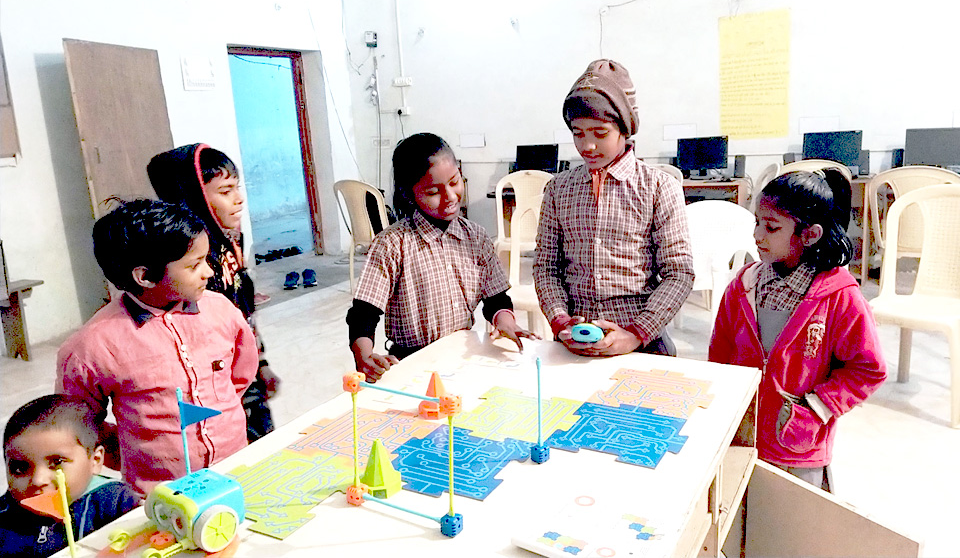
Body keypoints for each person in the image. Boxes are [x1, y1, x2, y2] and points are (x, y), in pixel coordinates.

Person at [57, 199, 258, 496]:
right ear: (145, 276)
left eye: (206, 260)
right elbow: (79, 424)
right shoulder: (91, 347)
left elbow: (240, 376)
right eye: (194, 265)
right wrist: (135, 452)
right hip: (158, 496)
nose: (209, 273)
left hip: (238, 473)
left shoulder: (221, 311)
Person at [709, 169, 887, 492]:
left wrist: (817, 406)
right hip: (739, 437)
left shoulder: (839, 296)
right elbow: (719, 354)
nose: (757, 236)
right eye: (757, 223)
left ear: (810, 234)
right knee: (739, 525)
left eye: (771, 227)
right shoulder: (742, 286)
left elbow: (869, 368)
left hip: (798, 450)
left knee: (790, 531)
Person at [346, 133, 538, 382]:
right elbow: (364, 313)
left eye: (455, 182)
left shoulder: (476, 237)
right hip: (410, 361)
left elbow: (496, 299)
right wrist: (365, 356)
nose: (450, 197)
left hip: (462, 359)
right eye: (433, 191)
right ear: (409, 194)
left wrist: (506, 323)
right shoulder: (392, 244)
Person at [534, 59, 694, 357]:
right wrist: (560, 321)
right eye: (578, 133)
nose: (588, 146)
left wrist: (637, 333)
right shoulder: (559, 189)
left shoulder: (658, 186)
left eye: (600, 132)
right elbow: (546, 267)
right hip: (574, 340)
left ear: (625, 128)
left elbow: (679, 273)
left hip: (641, 339)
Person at [147, 143, 279, 442]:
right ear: (193, 198)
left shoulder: (230, 243)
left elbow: (243, 317)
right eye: (225, 191)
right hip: (212, 386)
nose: (239, 200)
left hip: (245, 375)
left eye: (237, 188)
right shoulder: (184, 265)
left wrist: (261, 365)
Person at [1, 394, 140, 557]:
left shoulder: (116, 502)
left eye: (57, 462)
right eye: (19, 468)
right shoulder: (5, 516)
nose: (38, 480)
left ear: (95, 460)